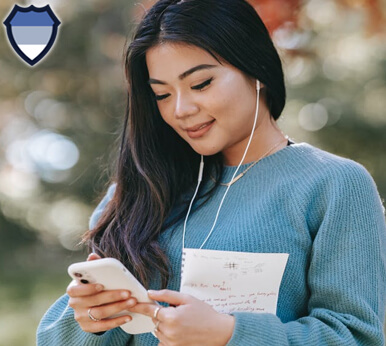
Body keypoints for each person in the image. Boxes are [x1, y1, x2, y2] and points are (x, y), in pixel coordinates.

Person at [37, 0, 386, 345]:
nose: (181, 110)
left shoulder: (333, 185)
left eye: (200, 84)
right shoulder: (139, 190)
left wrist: (230, 334)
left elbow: (356, 336)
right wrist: (91, 320)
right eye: (161, 94)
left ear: (256, 70)